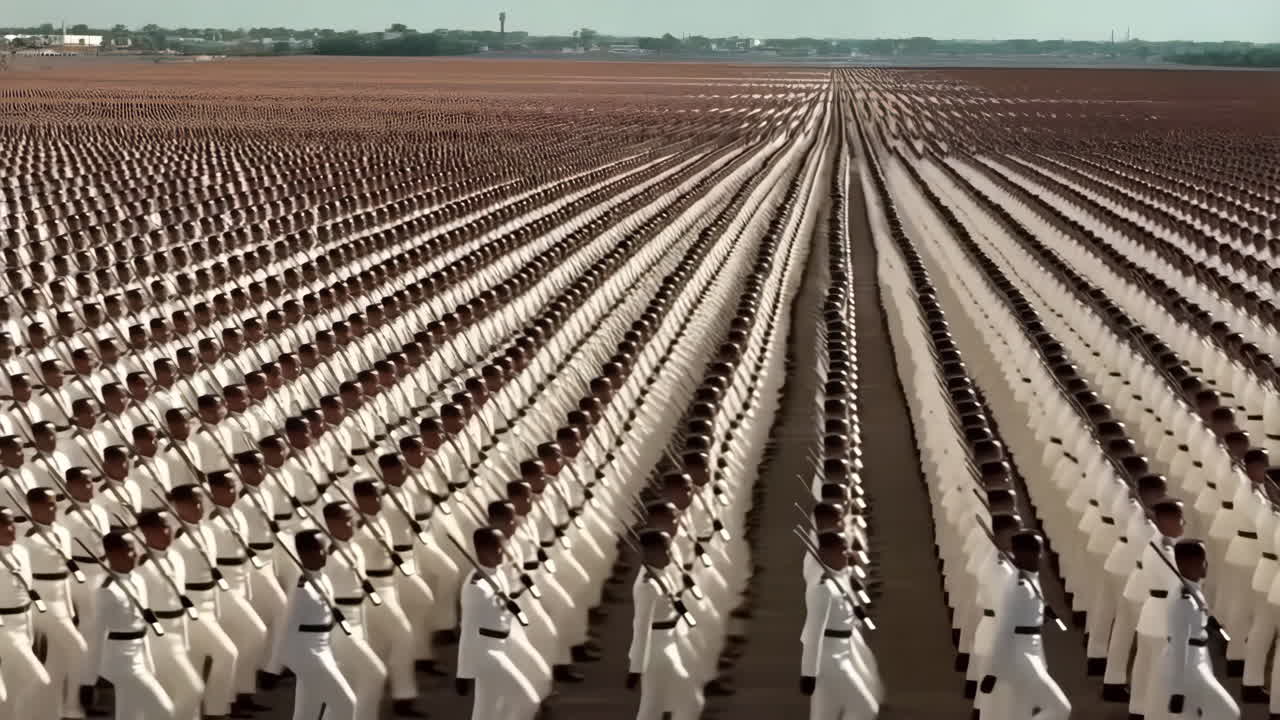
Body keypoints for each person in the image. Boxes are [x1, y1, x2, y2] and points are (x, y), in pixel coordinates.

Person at [981, 530, 1070, 720]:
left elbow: (1034, 614)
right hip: (1023, 657)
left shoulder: (1030, 577)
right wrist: (992, 671)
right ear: (1024, 554)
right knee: (1060, 708)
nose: (1042, 554)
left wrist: (1056, 622)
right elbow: (1005, 629)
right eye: (1038, 550)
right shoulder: (1019, 586)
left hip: (1032, 651)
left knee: (1020, 713)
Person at [1147, 539, 1239, 720]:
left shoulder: (1192, 589)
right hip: (1189, 665)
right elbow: (1178, 645)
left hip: (1199, 657)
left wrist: (1211, 624)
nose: (1207, 564)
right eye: (1203, 560)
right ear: (1191, 564)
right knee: (1228, 712)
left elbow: (1198, 618)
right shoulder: (1184, 600)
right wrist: (1177, 690)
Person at [270, 528, 356, 720]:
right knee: (346, 704)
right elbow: (287, 628)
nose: (325, 553)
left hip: (322, 649)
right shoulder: (302, 590)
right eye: (320, 550)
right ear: (305, 554)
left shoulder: (323, 578)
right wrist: (275, 667)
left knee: (306, 713)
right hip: (308, 655)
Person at [456, 526, 541, 720]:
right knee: (528, 701)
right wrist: (463, 672)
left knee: (486, 712)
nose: (504, 551)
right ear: (483, 551)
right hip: (486, 653)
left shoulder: (499, 573)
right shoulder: (475, 588)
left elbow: (502, 608)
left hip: (501, 645)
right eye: (498, 548)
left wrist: (520, 590)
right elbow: (467, 630)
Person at [90, 530, 176, 720]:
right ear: (113, 555)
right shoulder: (106, 591)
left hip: (141, 654)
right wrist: (90, 676)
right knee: (165, 710)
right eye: (130, 550)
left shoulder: (138, 579)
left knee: (129, 713)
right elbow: (96, 633)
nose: (136, 554)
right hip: (123, 661)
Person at [800, 530, 878, 720]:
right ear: (826, 554)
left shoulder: (837, 578)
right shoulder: (823, 589)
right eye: (842, 551)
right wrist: (808, 673)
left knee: (823, 715)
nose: (848, 554)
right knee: (865, 708)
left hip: (842, 652)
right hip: (831, 660)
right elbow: (813, 633)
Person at [630, 529, 702, 720]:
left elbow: (670, 604)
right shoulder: (647, 585)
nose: (670, 554)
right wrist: (636, 667)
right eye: (666, 550)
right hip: (656, 650)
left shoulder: (661, 573)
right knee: (656, 705)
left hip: (670, 642)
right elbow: (641, 627)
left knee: (664, 703)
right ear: (651, 552)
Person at [0, 506, 52, 716]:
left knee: (14, 686)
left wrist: (31, 629)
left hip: (24, 622)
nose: (12, 528)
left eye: (13, 523)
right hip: (4, 627)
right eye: (4, 524)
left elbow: (27, 592)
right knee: (39, 679)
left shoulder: (22, 552)